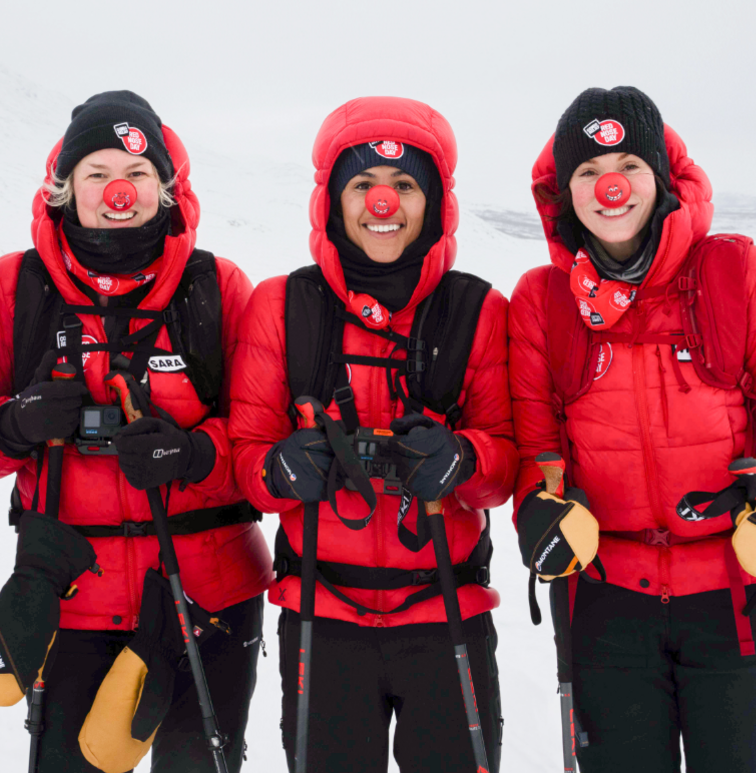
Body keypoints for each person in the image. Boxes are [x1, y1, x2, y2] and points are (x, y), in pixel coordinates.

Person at [508, 85, 756, 772]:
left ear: (662, 174)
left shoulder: (743, 274)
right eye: (587, 171)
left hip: (735, 599)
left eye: (627, 162)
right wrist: (537, 507)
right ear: (566, 193)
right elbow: (538, 448)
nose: (609, 184)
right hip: (605, 607)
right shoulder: (541, 301)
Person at [0, 90, 271, 772]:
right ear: (63, 185)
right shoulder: (14, 288)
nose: (116, 192)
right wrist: (14, 423)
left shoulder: (217, 287)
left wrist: (194, 453)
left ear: (165, 187)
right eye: (96, 174)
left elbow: (261, 446)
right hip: (71, 602)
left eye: (135, 174)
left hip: (210, 598)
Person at [229, 96, 517, 773]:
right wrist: (277, 470)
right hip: (321, 620)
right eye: (362, 184)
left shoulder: (478, 309)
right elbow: (243, 456)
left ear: (435, 203)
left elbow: (507, 466)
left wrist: (463, 459)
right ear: (331, 200)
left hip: (447, 612)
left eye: (405, 186)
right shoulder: (282, 305)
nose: (381, 204)